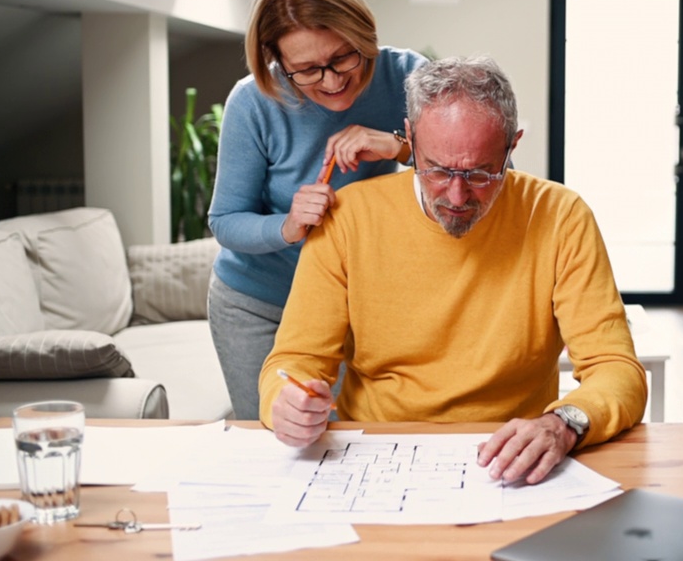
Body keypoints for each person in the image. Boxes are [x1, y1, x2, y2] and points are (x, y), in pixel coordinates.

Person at [259, 56, 648, 485]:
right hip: (376, 453)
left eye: (481, 173)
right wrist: (286, 403)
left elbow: (617, 368)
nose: (457, 195)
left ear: (511, 147)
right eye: (438, 170)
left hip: (512, 457)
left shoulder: (560, 216)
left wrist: (564, 423)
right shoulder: (348, 218)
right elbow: (295, 362)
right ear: (408, 138)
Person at [207, 0, 429, 420]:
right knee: (278, 444)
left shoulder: (410, 76)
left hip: (363, 304)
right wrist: (287, 226)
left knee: (355, 444)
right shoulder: (252, 102)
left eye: (343, 56)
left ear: (363, 33)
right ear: (278, 61)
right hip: (259, 304)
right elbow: (225, 221)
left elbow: (472, 171)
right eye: (306, 70)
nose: (331, 81)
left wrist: (399, 146)